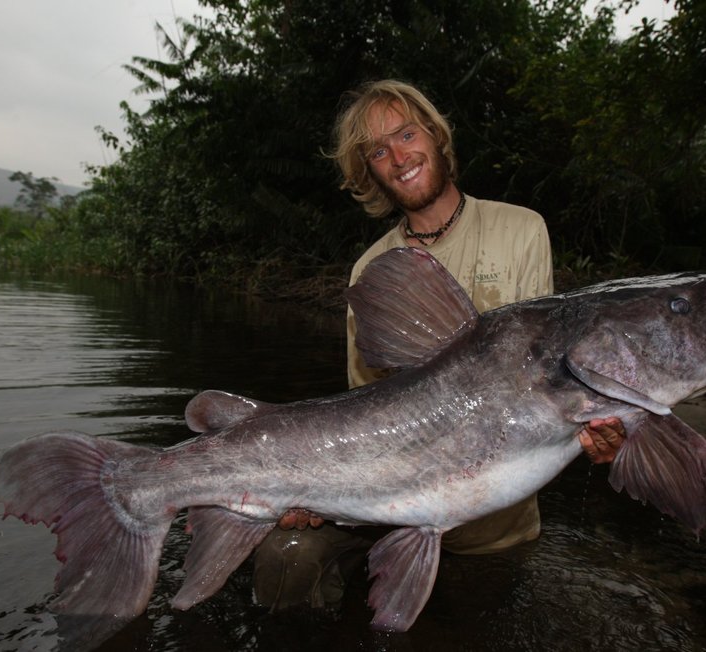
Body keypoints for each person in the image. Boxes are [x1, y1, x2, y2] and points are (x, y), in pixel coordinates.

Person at [252, 79, 625, 610]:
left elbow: (549, 382)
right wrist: (309, 490)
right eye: (378, 151)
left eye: (406, 134)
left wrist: (601, 435)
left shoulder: (520, 230)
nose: (398, 156)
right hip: (389, 512)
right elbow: (369, 409)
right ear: (370, 173)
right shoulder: (370, 269)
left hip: (493, 527)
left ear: (435, 134)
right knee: (285, 559)